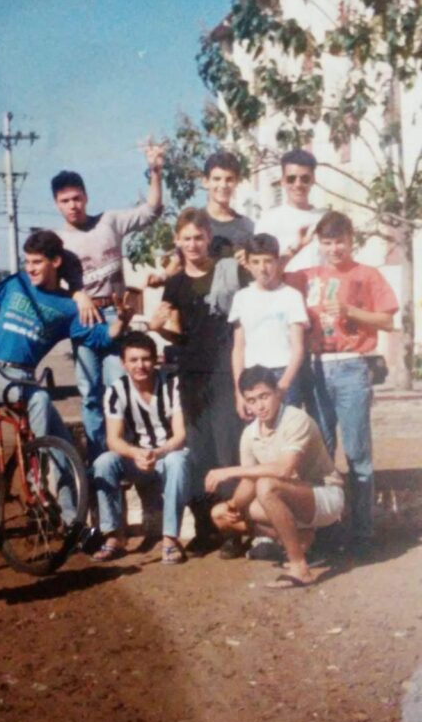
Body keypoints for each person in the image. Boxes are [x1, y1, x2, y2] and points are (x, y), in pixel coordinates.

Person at [287, 211, 399, 555]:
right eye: (327, 241)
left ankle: (362, 532)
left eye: (340, 241)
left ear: (352, 240)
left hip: (351, 367)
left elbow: (386, 320)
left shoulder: (368, 274)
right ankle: (326, 528)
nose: (334, 248)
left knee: (358, 454)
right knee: (320, 456)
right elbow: (270, 272)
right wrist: (299, 245)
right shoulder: (308, 275)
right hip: (316, 368)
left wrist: (350, 311)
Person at [51, 141, 164, 462]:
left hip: (118, 315)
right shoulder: (57, 241)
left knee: (119, 388)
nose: (73, 205)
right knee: (89, 395)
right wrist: (77, 294)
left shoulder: (110, 221)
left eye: (77, 198)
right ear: (57, 204)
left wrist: (155, 170)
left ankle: (129, 455)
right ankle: (102, 459)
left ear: (86, 196)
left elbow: (152, 211)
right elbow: (46, 284)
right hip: (85, 322)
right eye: (65, 201)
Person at [0, 230, 132, 450]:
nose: (30, 268)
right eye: (27, 262)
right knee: (40, 400)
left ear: (55, 261)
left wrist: (122, 321)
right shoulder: (17, 283)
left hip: (26, 379)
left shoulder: (69, 307)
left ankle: (66, 483)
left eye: (37, 262)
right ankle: (42, 471)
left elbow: (101, 337)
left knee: (65, 445)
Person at [149, 207, 245, 552]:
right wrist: (159, 328)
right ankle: (206, 528)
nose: (192, 244)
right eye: (186, 238)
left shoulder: (230, 273)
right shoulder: (173, 284)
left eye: (198, 238)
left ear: (208, 238)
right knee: (200, 454)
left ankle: (233, 530)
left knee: (226, 450)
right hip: (190, 378)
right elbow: (178, 336)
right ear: (178, 241)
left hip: (223, 374)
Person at [206, 366, 346, 587]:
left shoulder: (295, 419)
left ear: (277, 393)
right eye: (251, 400)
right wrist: (232, 507)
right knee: (221, 513)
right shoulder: (250, 434)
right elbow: (248, 482)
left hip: (324, 496)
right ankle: (300, 540)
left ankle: (300, 568)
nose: (259, 406)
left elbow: (283, 470)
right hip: (290, 501)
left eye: (264, 396)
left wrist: (229, 471)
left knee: (267, 487)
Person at [91, 331, 190, 565]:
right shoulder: (116, 391)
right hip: (137, 458)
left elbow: (180, 435)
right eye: (133, 360)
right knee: (103, 462)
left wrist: (157, 453)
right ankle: (114, 535)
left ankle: (169, 539)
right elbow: (113, 440)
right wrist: (137, 453)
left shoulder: (171, 385)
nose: (140, 365)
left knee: (179, 460)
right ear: (123, 363)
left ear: (155, 360)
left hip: (166, 455)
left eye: (146, 359)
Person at [229, 233, 309, 418]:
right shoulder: (242, 298)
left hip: (283, 375)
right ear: (247, 263)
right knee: (261, 438)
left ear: (276, 261)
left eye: (268, 261)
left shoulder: (291, 296)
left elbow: (298, 348)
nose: (262, 268)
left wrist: (283, 386)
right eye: (255, 262)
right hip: (252, 377)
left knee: (288, 435)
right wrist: (239, 392)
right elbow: (239, 348)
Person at [147, 150, 254, 287]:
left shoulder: (247, 226)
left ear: (236, 182)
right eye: (217, 179)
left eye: (229, 179)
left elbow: (257, 271)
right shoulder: (192, 221)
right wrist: (161, 277)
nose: (223, 185)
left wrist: (249, 263)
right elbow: (178, 261)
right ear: (205, 181)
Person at [255, 148, 324, 272]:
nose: (298, 184)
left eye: (305, 179)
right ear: (282, 181)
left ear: (313, 180)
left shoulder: (325, 219)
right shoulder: (267, 222)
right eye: (291, 179)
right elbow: (262, 271)